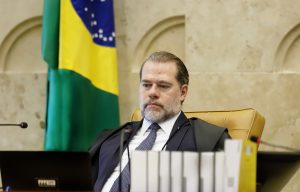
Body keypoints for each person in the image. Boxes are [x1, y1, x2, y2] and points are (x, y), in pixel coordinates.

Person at [89, 51, 231, 192]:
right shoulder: (110, 139)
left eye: (163, 86)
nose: (152, 93)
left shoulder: (209, 140)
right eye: (146, 85)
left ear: (183, 92)